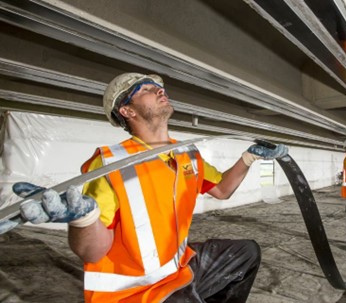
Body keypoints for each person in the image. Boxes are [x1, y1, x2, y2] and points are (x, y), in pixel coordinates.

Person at [8, 73, 288, 302]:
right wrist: (84, 219)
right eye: (145, 89)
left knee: (246, 254)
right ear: (127, 110)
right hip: (137, 292)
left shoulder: (187, 155)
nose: (159, 90)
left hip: (176, 269)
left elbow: (222, 190)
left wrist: (248, 158)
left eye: (159, 87)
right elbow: (93, 253)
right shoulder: (111, 163)